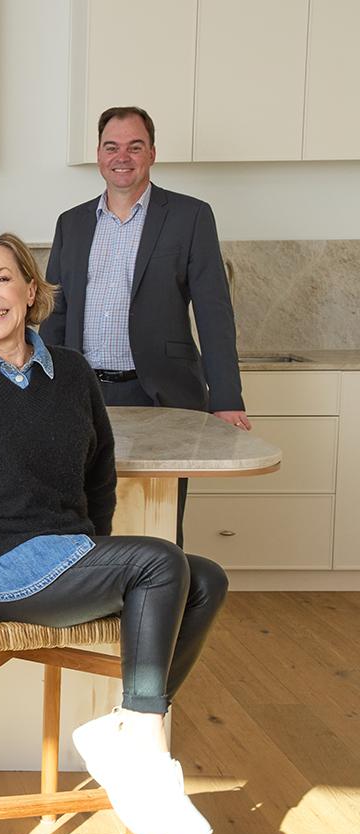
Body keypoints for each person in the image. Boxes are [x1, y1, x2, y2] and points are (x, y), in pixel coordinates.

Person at [0, 231, 228, 834]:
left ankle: (129, 726)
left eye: (1, 279)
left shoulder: (72, 374)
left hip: (67, 557)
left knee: (206, 579)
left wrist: (101, 561)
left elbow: (98, 474)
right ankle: (148, 753)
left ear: (30, 290)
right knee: (158, 563)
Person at [39, 105, 250, 544]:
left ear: (152, 153)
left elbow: (213, 312)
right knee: (82, 514)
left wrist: (227, 398)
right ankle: (93, 605)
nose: (123, 156)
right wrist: (44, 389)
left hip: (162, 395)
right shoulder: (71, 223)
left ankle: (158, 606)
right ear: (98, 154)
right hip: (85, 393)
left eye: (135, 147)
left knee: (159, 522)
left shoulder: (190, 216)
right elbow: (55, 314)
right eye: (112, 147)